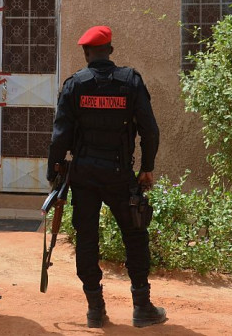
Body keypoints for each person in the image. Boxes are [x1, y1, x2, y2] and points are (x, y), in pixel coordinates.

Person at [47, 25, 166, 328]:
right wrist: (147, 167)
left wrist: (54, 173)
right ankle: (142, 307)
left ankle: (94, 310)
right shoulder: (131, 82)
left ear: (86, 53)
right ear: (110, 51)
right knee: (135, 235)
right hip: (119, 175)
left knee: (86, 239)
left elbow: (60, 136)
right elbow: (150, 131)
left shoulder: (75, 85)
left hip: (84, 175)